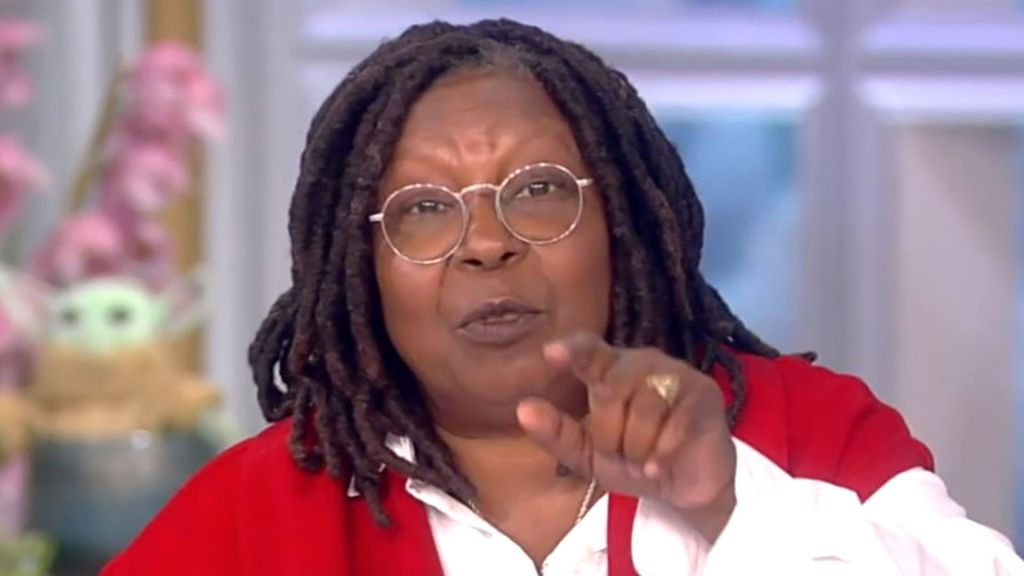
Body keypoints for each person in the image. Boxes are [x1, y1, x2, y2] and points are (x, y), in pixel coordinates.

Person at [102, 18, 1024, 575]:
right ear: (359, 265)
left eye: (539, 190)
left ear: (625, 219)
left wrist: (730, 501)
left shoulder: (812, 431)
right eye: (424, 209)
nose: (487, 243)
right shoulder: (254, 510)